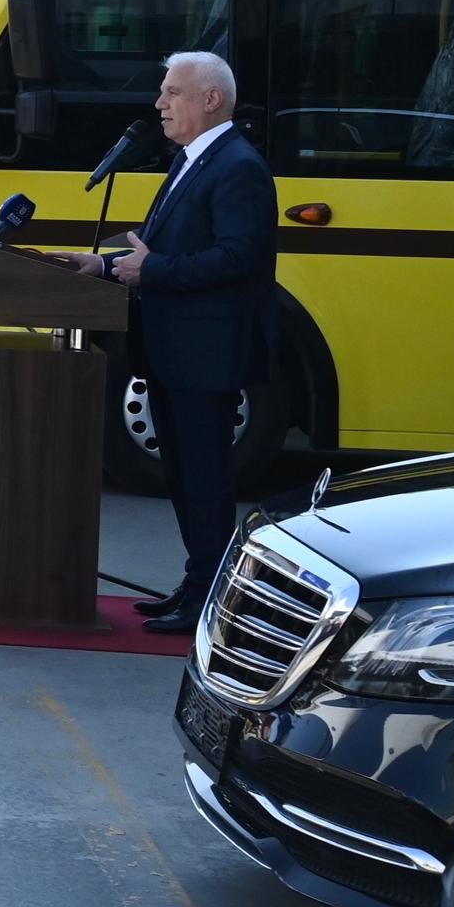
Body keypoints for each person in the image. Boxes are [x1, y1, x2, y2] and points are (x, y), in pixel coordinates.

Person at [106, 49, 278, 631]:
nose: (160, 103)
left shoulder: (238, 166)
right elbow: (163, 254)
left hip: (206, 357)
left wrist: (148, 272)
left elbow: (238, 257)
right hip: (173, 353)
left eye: (172, 92)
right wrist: (101, 266)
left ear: (212, 99)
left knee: (205, 480)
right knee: (182, 476)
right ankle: (197, 581)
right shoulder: (190, 161)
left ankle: (213, 598)